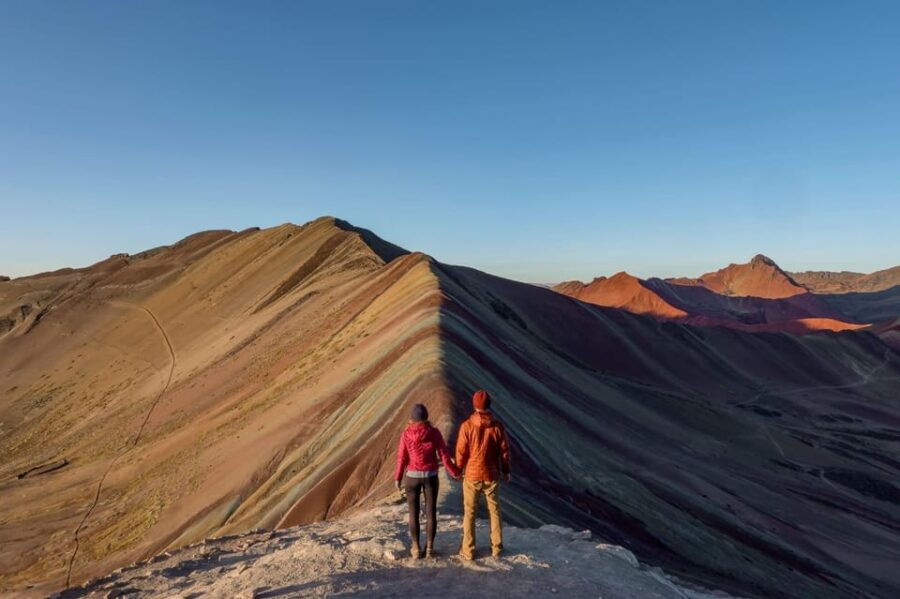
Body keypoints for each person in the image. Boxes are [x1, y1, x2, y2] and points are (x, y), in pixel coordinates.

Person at [394, 403, 461, 558]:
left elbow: (401, 458)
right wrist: (455, 472)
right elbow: (444, 456)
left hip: (412, 477)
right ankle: (430, 548)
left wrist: (397, 477)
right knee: (431, 512)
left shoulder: (406, 434)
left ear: (412, 418)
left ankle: (416, 548)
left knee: (413, 513)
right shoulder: (434, 432)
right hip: (431, 476)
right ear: (426, 417)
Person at [455, 389, 511, 560]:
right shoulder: (497, 426)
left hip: (471, 475)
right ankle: (496, 547)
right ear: (489, 405)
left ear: (474, 405)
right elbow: (504, 452)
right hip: (491, 474)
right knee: (494, 511)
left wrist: (458, 469)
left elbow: (461, 451)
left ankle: (468, 550)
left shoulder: (467, 425)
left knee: (470, 512)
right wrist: (506, 471)